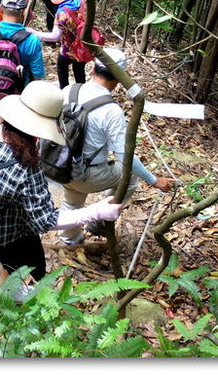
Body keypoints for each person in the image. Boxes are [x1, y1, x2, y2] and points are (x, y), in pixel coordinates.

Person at [0, 81, 126, 302]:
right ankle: (5, 291)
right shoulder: (25, 169)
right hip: (3, 230)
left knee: (2, 246)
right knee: (29, 264)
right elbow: (45, 221)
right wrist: (95, 212)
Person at [56, 48, 176, 246]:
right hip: (85, 174)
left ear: (92, 68)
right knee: (129, 177)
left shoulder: (70, 90)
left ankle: (70, 240)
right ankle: (102, 220)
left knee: (73, 199)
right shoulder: (111, 111)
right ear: (120, 78)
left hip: (58, 165)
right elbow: (125, 157)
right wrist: (155, 180)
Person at [29, 0, 92, 88]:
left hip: (69, 47)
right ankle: (81, 91)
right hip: (84, 44)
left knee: (62, 67)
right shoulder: (81, 0)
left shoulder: (62, 13)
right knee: (79, 68)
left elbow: (55, 36)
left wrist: (34, 33)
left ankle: (64, 90)